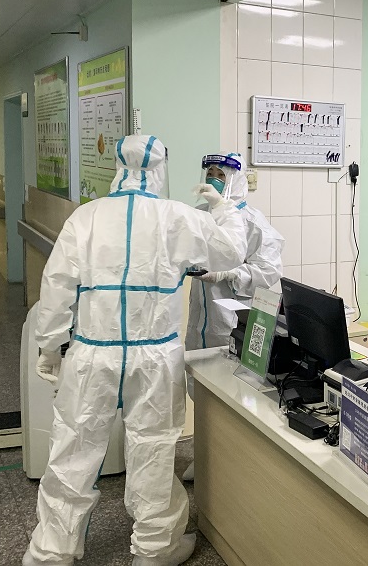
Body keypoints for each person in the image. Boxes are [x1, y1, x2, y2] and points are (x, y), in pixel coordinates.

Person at [23, 135, 249, 566]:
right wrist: (224, 206)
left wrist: (50, 345)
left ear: (116, 167)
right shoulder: (176, 217)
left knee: (73, 447)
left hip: (92, 352)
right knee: (154, 447)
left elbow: (56, 286)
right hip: (155, 357)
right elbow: (232, 251)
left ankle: (52, 551)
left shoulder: (85, 217)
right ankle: (153, 549)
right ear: (160, 170)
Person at [181, 152, 284, 480]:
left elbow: (268, 271)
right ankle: (206, 460)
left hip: (234, 321)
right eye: (209, 172)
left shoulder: (253, 222)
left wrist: (228, 275)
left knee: (233, 395)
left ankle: (234, 471)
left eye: (220, 175)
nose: (213, 178)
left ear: (235, 180)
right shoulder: (200, 215)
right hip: (200, 318)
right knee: (200, 388)